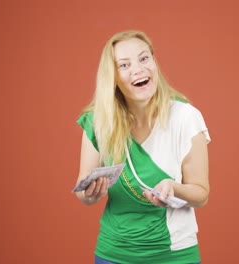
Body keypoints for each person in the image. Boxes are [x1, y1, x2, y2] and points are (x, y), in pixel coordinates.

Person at [74, 30, 211, 264]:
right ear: (113, 77)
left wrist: (174, 188)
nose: (138, 69)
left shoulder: (185, 117)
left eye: (144, 58)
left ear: (154, 62)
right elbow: (82, 192)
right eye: (124, 65)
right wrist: (89, 194)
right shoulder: (98, 122)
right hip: (113, 254)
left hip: (174, 255)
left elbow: (201, 194)